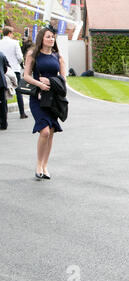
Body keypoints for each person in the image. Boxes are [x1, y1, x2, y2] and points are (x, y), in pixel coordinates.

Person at [23, 25, 66, 180]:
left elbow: (63, 79)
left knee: (51, 133)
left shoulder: (58, 57)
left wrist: (50, 81)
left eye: (53, 37)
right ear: (42, 38)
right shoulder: (33, 55)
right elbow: (25, 76)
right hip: (38, 98)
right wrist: (39, 84)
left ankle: (45, 166)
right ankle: (38, 165)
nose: (51, 39)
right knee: (45, 131)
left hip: (53, 100)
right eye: (48, 36)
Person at [0, 26, 28, 119]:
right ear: (9, 33)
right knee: (18, 90)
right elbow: (20, 57)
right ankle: (22, 113)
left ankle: (5, 113)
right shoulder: (15, 43)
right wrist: (20, 64)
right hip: (14, 69)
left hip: (4, 70)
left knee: (5, 91)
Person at [0, 51, 9, 130]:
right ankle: (4, 123)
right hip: (1, 82)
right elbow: (5, 68)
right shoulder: (1, 54)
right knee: (3, 103)